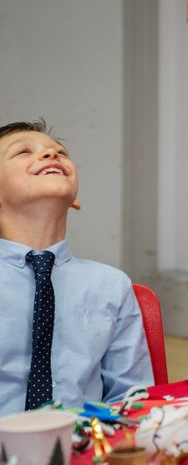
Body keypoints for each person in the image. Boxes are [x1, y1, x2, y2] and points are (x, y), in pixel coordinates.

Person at [0, 120, 152, 416]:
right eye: (23, 152)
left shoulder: (111, 286)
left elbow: (133, 399)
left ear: (75, 198)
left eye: (60, 152)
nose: (50, 155)